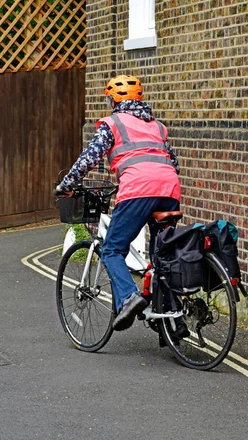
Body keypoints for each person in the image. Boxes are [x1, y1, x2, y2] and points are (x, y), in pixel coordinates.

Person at [55, 74, 183, 334]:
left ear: (113, 100)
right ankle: (174, 320)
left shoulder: (112, 124)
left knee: (113, 250)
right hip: (169, 189)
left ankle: (128, 297)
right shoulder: (156, 126)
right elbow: (173, 163)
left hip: (138, 189)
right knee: (163, 257)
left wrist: (67, 185)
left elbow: (88, 158)